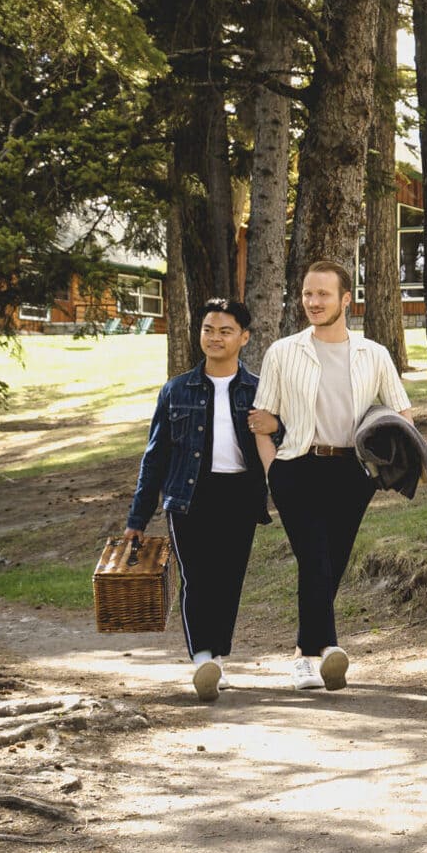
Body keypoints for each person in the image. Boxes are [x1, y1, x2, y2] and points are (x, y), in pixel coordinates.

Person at [248, 260, 413, 691]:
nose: (313, 302)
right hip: (297, 468)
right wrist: (272, 472)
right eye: (307, 294)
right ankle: (323, 651)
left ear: (345, 299)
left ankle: (306, 650)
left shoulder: (373, 354)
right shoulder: (283, 352)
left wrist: (385, 461)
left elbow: (403, 411)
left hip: (352, 474)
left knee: (332, 561)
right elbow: (261, 419)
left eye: (322, 294)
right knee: (315, 557)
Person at [125, 299, 273, 702]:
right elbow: (154, 457)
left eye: (225, 331)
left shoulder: (260, 389)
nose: (215, 337)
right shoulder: (175, 390)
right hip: (188, 495)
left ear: (244, 337)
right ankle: (202, 657)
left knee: (229, 580)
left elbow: (282, 441)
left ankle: (219, 657)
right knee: (196, 578)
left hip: (240, 494)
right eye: (208, 329)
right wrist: (137, 517)